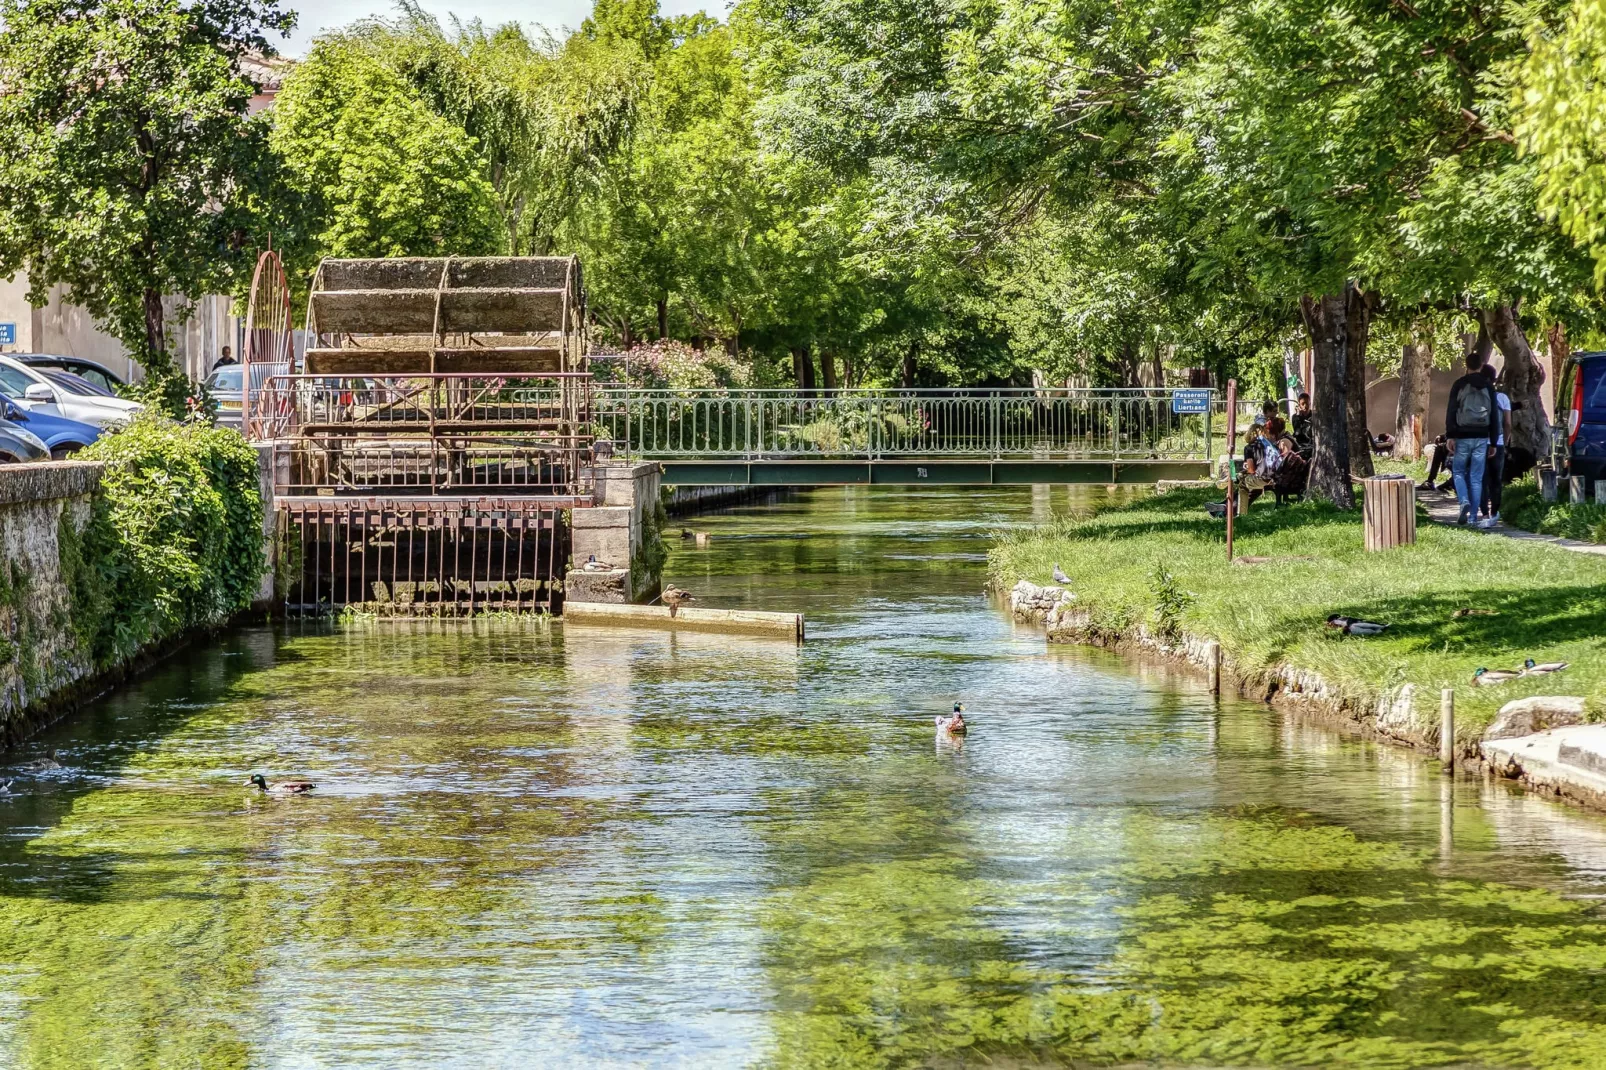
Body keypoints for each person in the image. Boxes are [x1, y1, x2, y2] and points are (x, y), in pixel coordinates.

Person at [1444, 350, 1500, 527]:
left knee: (1459, 471)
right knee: (1476, 477)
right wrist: (1493, 441)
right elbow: (1494, 417)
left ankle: (1463, 501)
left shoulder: (1459, 384)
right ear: (1481, 365)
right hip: (1482, 436)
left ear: (1466, 365)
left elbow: (1452, 410)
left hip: (1462, 435)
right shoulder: (1488, 386)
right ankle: (1474, 518)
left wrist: (1450, 435)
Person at [1481, 363, 1512, 524]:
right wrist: (1505, 442)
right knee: (1496, 480)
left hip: (1479, 443)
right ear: (1494, 379)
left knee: (1481, 479)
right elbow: (1507, 423)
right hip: (1498, 443)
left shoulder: (1477, 396)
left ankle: (1484, 514)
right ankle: (1495, 512)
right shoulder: (1502, 398)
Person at [1271, 436, 1308, 504]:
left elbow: (1285, 459)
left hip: (1290, 478)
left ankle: (1279, 502)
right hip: (1295, 475)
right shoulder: (1287, 438)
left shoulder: (1284, 441)